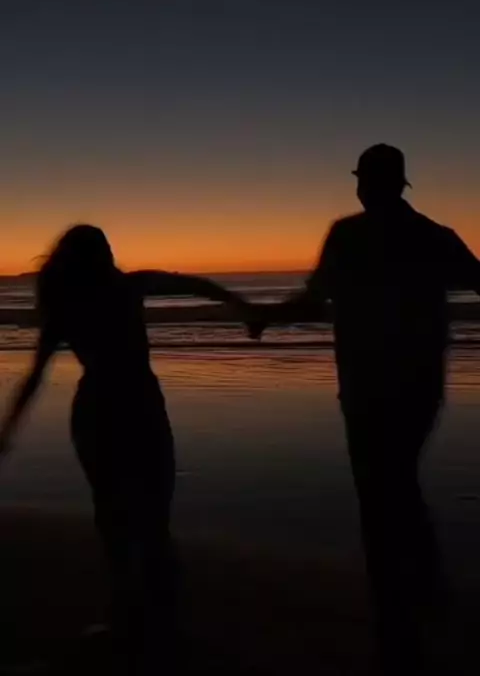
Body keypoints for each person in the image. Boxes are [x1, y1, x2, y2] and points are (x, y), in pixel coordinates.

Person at [257, 144, 480, 671]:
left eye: (362, 181)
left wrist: (264, 316)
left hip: (365, 382)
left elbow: (313, 300)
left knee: (380, 488)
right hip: (419, 385)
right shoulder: (435, 236)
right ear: (401, 185)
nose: (360, 190)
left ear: (367, 185)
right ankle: (422, 587)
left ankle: (397, 607)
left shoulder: (348, 235)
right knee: (396, 479)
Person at [0, 224, 254, 675]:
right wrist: (244, 307)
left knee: (113, 518)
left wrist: (9, 428)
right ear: (103, 255)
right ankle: (157, 624)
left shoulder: (67, 305)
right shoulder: (129, 286)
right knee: (153, 518)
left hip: (96, 410)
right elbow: (194, 284)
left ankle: (128, 620)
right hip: (138, 406)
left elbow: (36, 375)